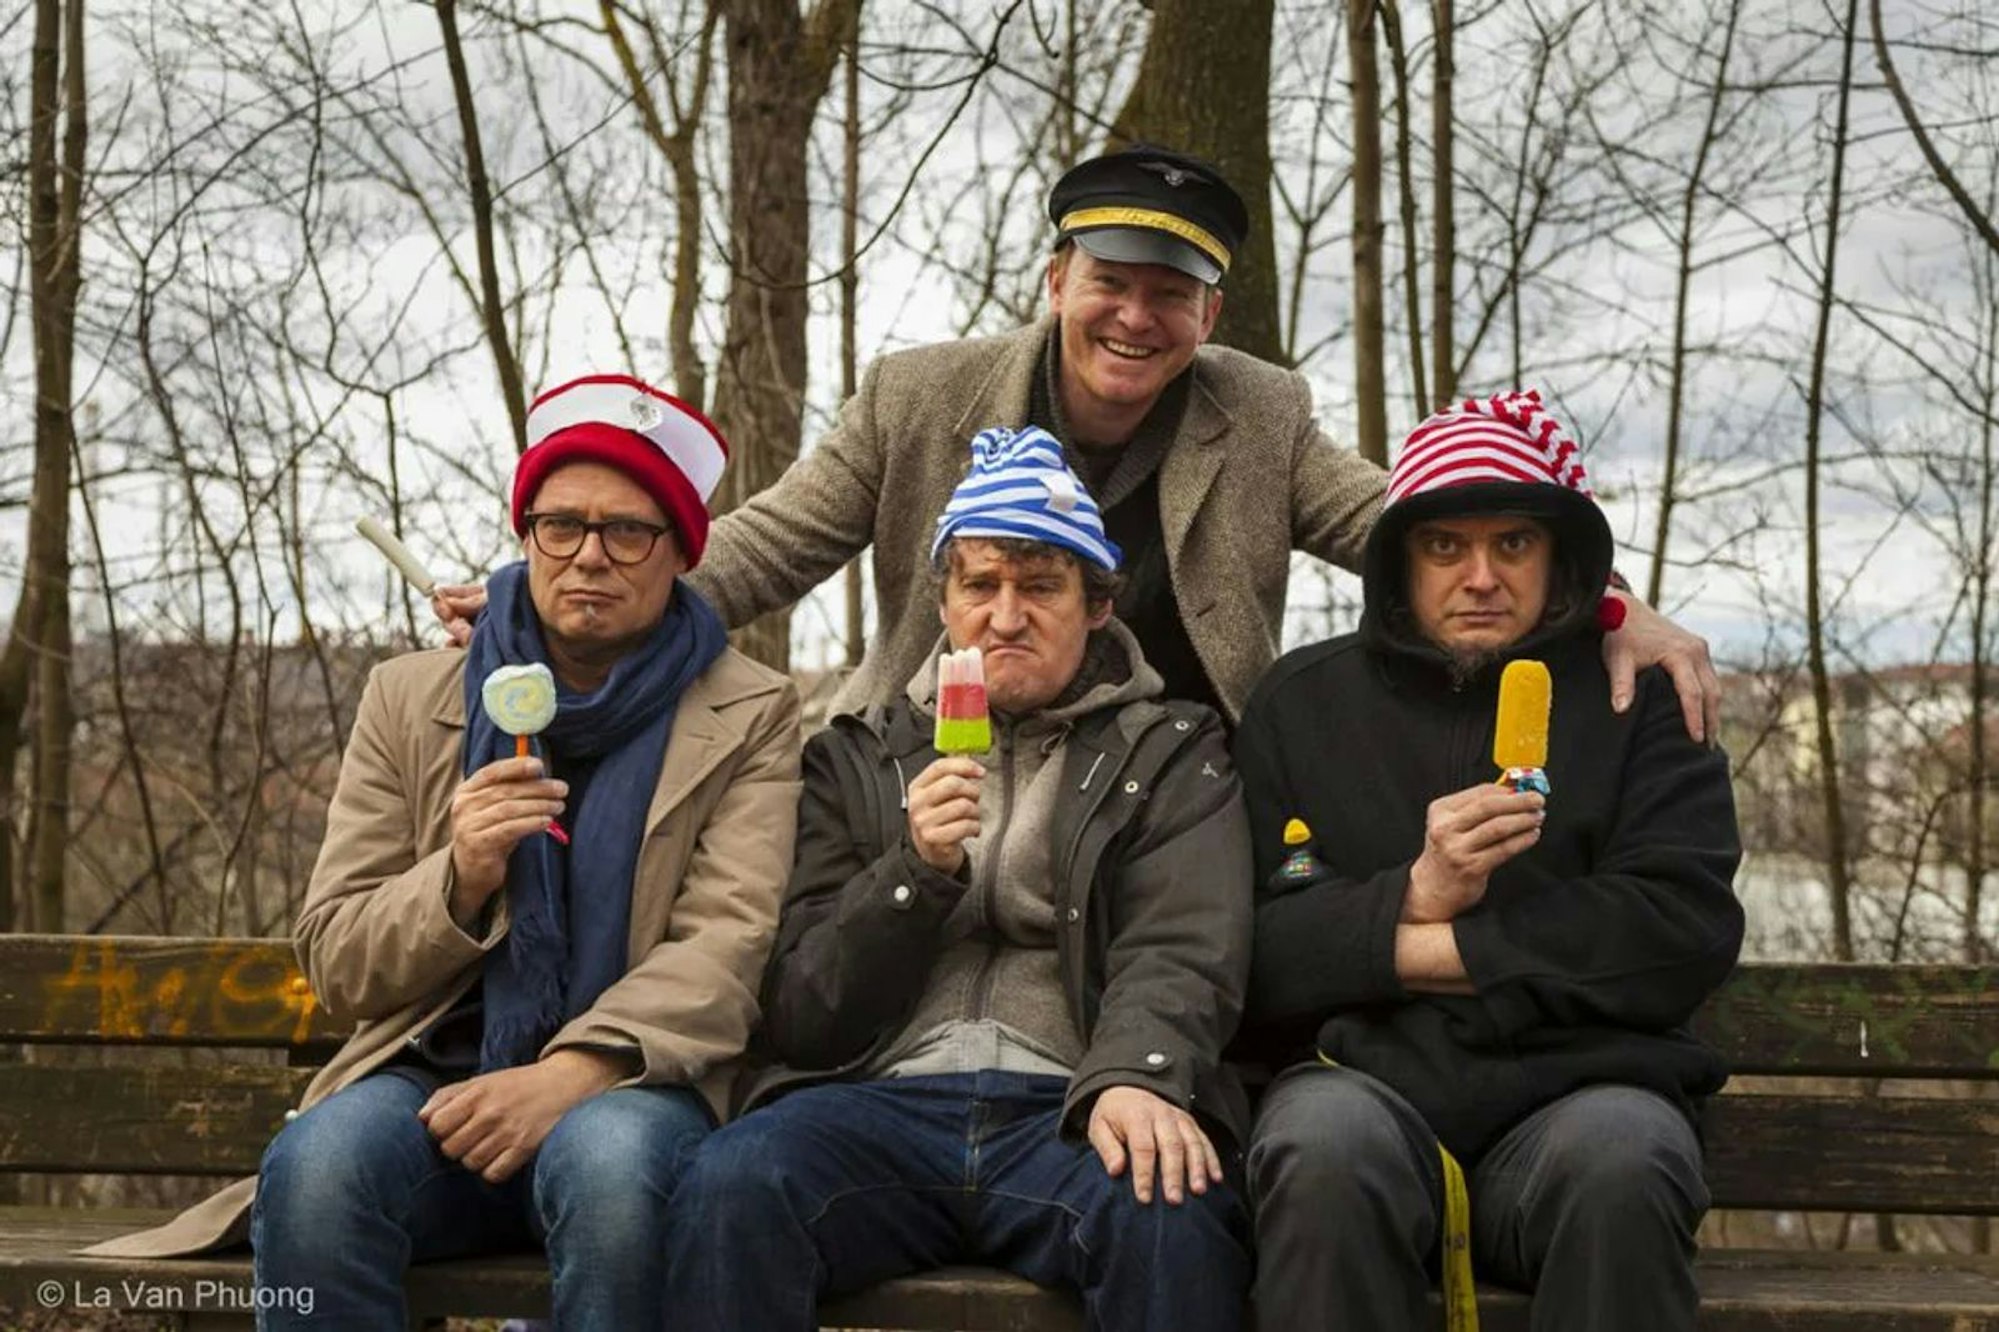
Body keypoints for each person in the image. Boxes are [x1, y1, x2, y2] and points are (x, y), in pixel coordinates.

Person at [433, 145, 1723, 739]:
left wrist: (1611, 603)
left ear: (1208, 313)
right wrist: (569, 596)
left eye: (1172, 294)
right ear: (1058, 278)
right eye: (1112, 278)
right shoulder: (917, 395)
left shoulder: (1259, 413)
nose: (1137, 315)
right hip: (944, 738)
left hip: (1176, 770)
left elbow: (1410, 523)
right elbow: (769, 543)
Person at [83, 374, 803, 1332]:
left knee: (613, 1172)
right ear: (525, 534)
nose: (590, 555)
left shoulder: (747, 713)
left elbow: (727, 945)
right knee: (319, 1171)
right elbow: (336, 958)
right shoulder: (412, 698)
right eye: (561, 524)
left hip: (632, 1084)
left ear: (678, 551)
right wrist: (459, 877)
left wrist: (568, 1075)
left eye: (628, 530)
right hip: (435, 1072)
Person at [661, 426, 1253, 1331]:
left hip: (1074, 1105)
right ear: (942, 600)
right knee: (731, 1184)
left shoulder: (1169, 749)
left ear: (1098, 604)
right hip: (874, 1102)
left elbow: (1182, 942)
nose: (1005, 616)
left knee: (1168, 1208)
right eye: (979, 584)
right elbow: (803, 1008)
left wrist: (1136, 1074)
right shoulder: (854, 757)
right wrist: (914, 873)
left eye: (1040, 586)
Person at [1233, 390, 1744, 1331]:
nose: (1479, 576)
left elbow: (1679, 929)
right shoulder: (1298, 705)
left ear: (1559, 562)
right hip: (1360, 1090)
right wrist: (1416, 892)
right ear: (1396, 563)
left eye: (1511, 543)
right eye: (1444, 547)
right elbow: (1253, 947)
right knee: (1319, 1147)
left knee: (1625, 1159)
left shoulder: (1645, 700)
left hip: (1582, 1096)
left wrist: (1423, 950)